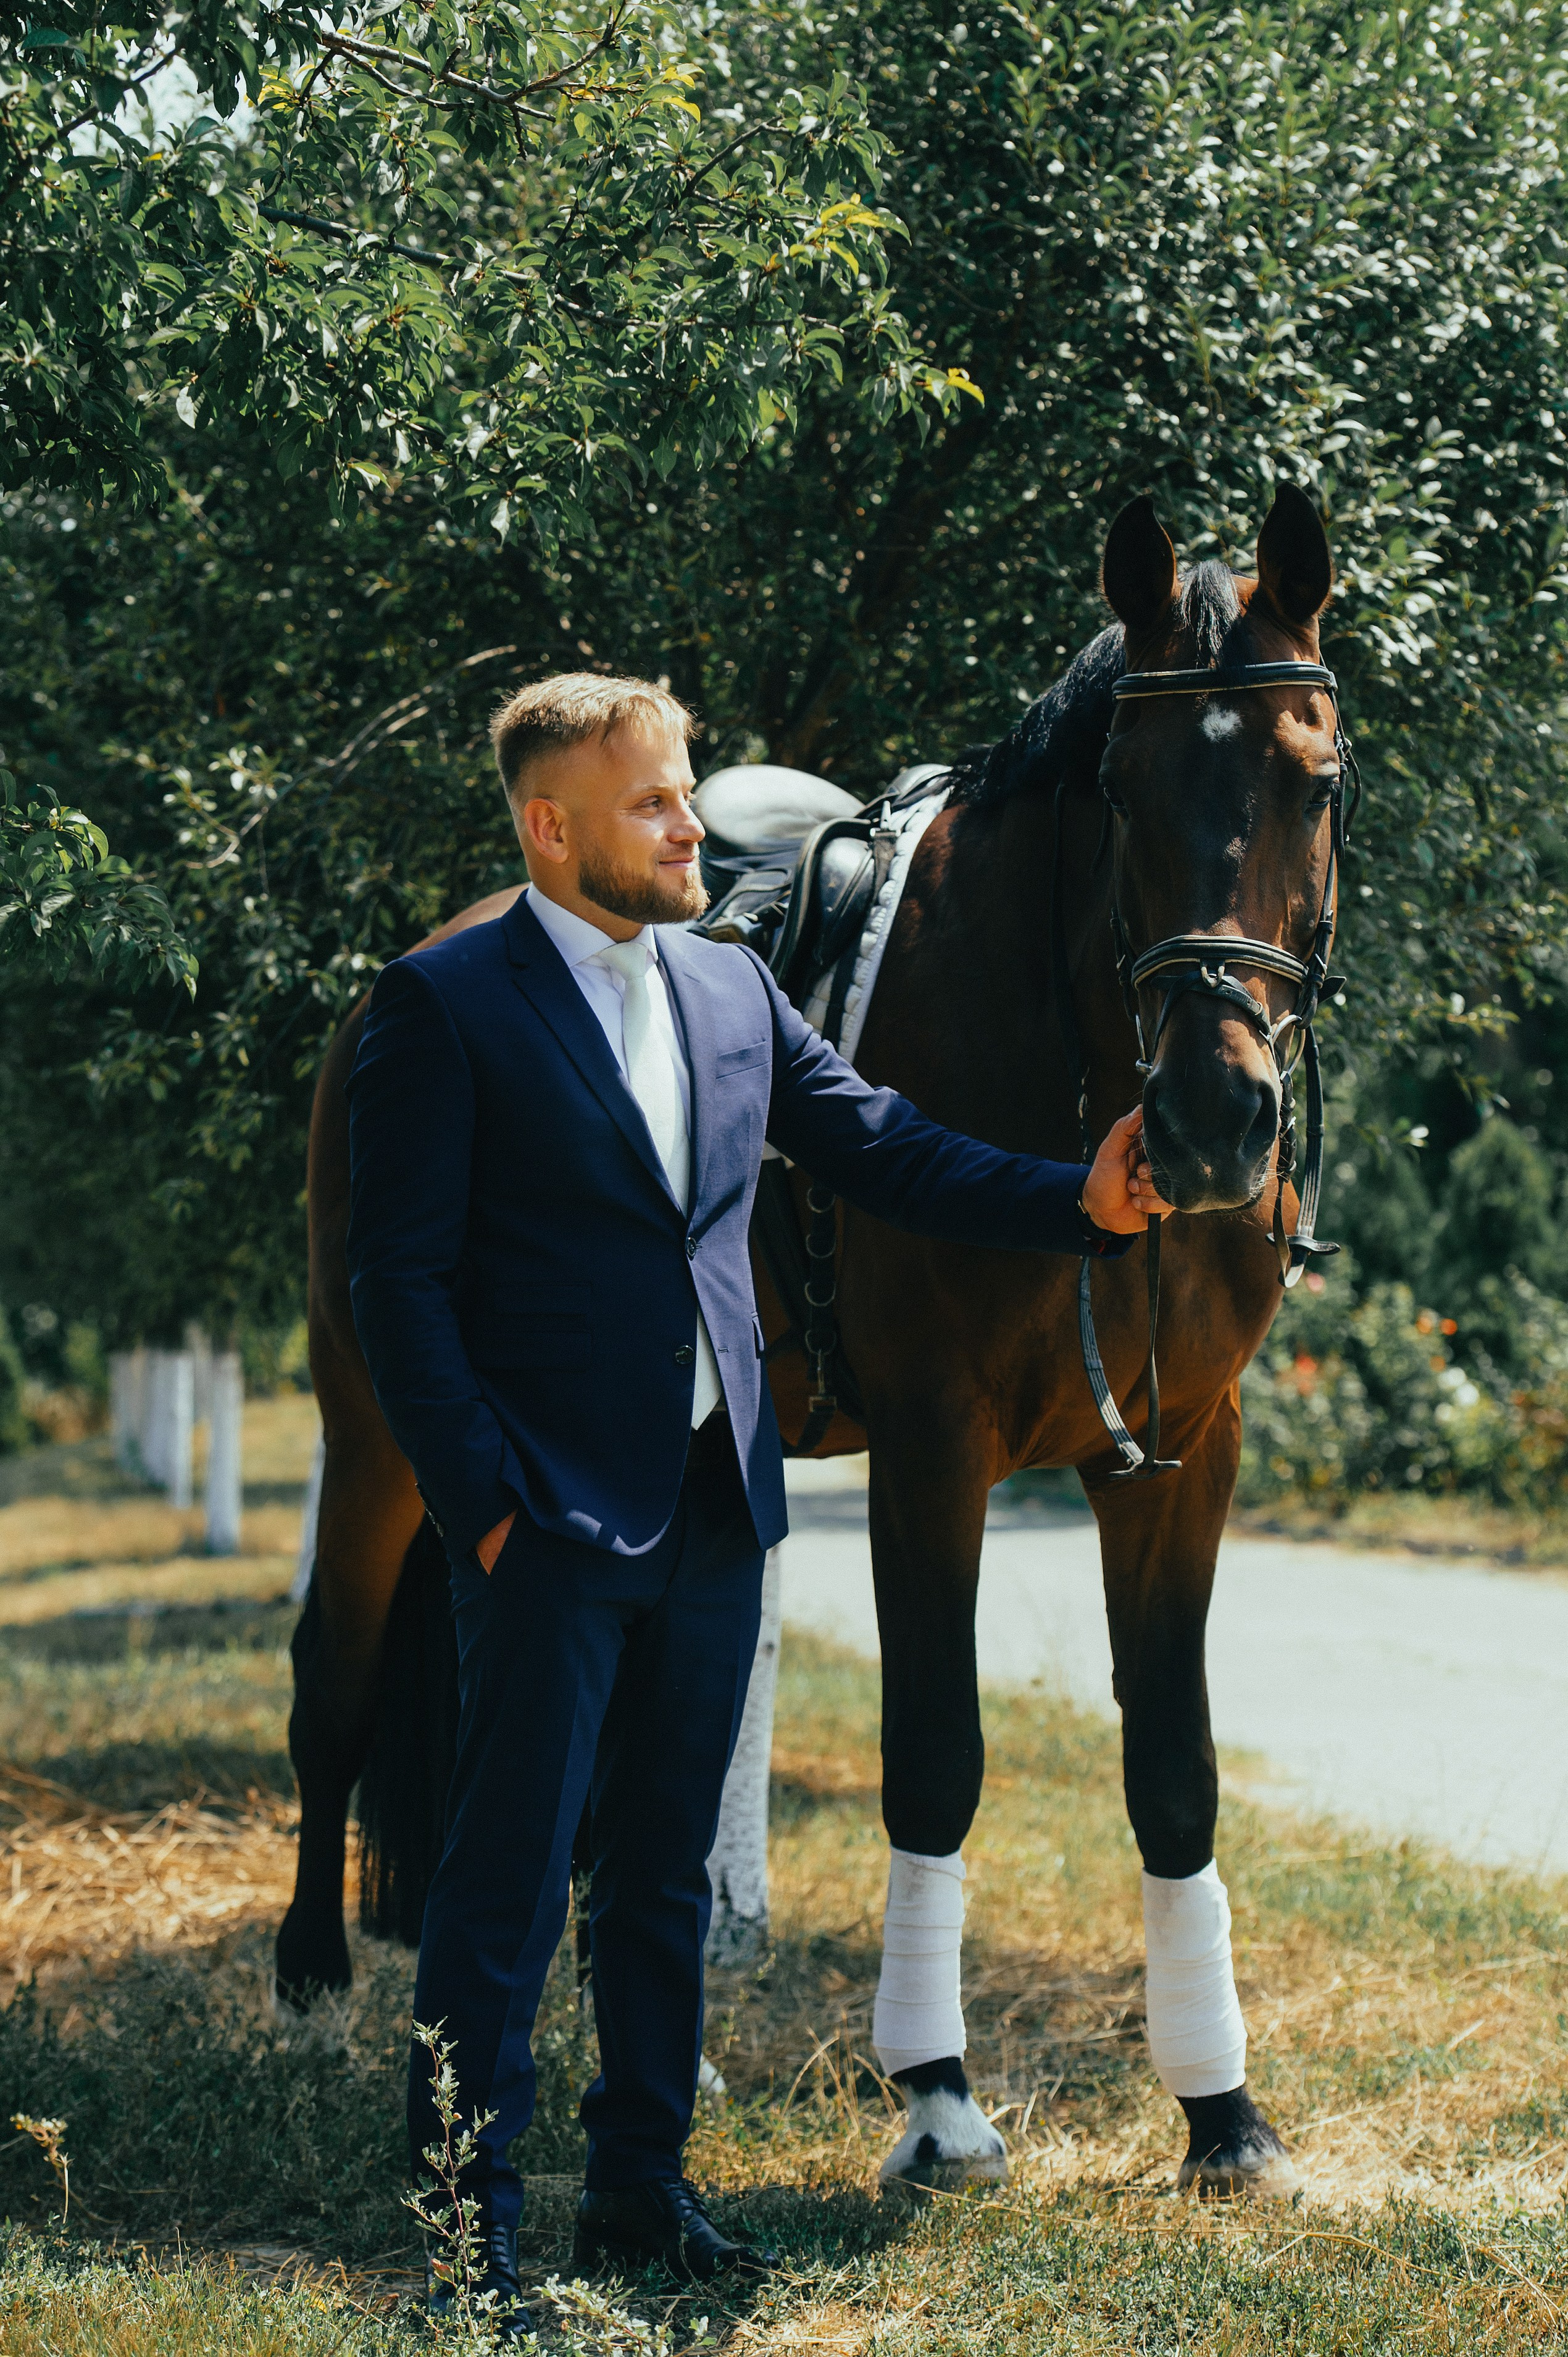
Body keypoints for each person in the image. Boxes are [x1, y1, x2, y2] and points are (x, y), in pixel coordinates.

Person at [344, 672, 1171, 2337]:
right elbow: (397, 1286)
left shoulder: (728, 989)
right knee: (506, 1884)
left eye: (688, 784)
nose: (689, 820)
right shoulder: (442, 1005)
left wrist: (1075, 1201)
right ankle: (467, 2234)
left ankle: (640, 2194)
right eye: (653, 800)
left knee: (660, 1876)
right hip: (546, 1521)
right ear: (548, 825)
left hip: (716, 1510)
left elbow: (880, 1144)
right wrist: (482, 1503)